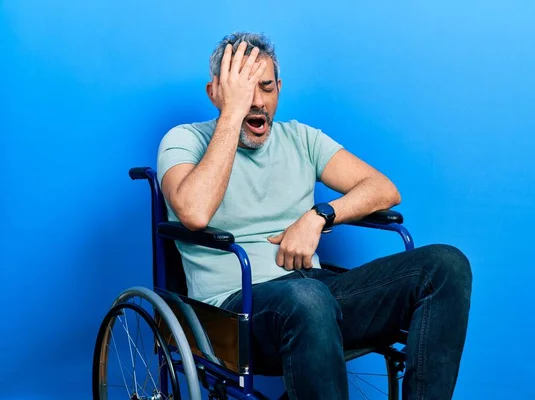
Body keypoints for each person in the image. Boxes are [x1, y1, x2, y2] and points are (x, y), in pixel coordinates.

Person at [157, 31, 472, 400]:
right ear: (215, 92)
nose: (256, 102)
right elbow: (194, 213)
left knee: (446, 265)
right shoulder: (183, 140)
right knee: (308, 297)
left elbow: (384, 189)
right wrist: (232, 114)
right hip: (234, 311)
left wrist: (318, 216)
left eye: (266, 87)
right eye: (243, 89)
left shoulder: (302, 139)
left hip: (314, 293)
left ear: (280, 88)